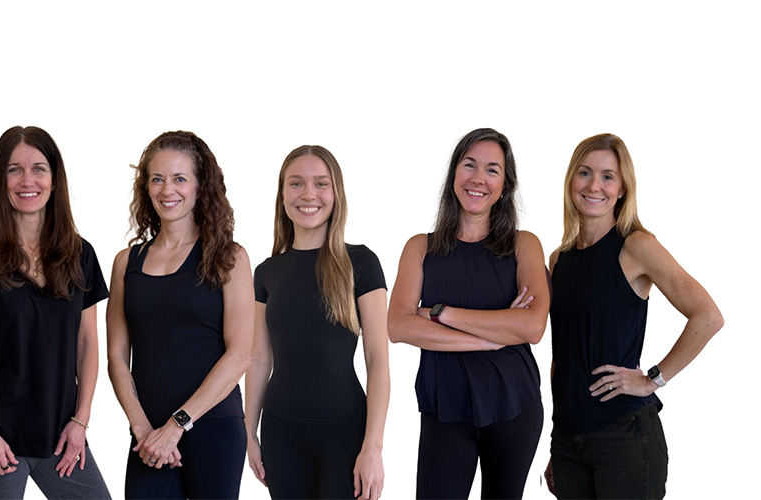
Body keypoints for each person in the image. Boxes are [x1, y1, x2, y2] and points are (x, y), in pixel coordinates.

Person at [543, 133, 724, 499]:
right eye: (584, 173)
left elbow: (707, 316)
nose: (594, 185)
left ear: (622, 188)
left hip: (623, 436)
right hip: (567, 442)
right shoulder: (558, 260)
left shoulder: (636, 247)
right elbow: (562, 354)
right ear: (571, 180)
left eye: (608, 176)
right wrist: (558, 441)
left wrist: (652, 379)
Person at [0, 126, 111, 499]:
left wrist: (81, 422)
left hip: (62, 439)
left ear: (54, 179)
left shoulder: (81, 255)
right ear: (0, 180)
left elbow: (87, 345)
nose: (27, 180)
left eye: (38, 169)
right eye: (14, 170)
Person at [386, 128, 548, 499]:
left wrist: (439, 313)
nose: (478, 178)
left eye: (492, 170)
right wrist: (492, 337)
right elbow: (398, 326)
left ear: (505, 185)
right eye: (469, 165)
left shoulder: (524, 245)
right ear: (454, 175)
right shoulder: (420, 248)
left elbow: (532, 326)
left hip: (514, 406)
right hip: (445, 408)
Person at [106, 130, 253, 499]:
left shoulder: (230, 258)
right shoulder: (127, 262)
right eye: (157, 178)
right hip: (149, 435)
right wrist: (143, 430)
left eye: (179, 179)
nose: (167, 189)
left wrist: (176, 425)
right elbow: (117, 356)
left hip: (214, 427)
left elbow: (240, 355)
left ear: (200, 187)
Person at [245, 145, 390, 500]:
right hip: (281, 432)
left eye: (321, 183)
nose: (308, 194)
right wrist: (247, 432)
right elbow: (259, 359)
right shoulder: (267, 272)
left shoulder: (361, 263)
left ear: (336, 193)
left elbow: (377, 360)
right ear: (282, 195)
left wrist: (373, 447)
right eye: (296, 183)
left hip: (345, 433)